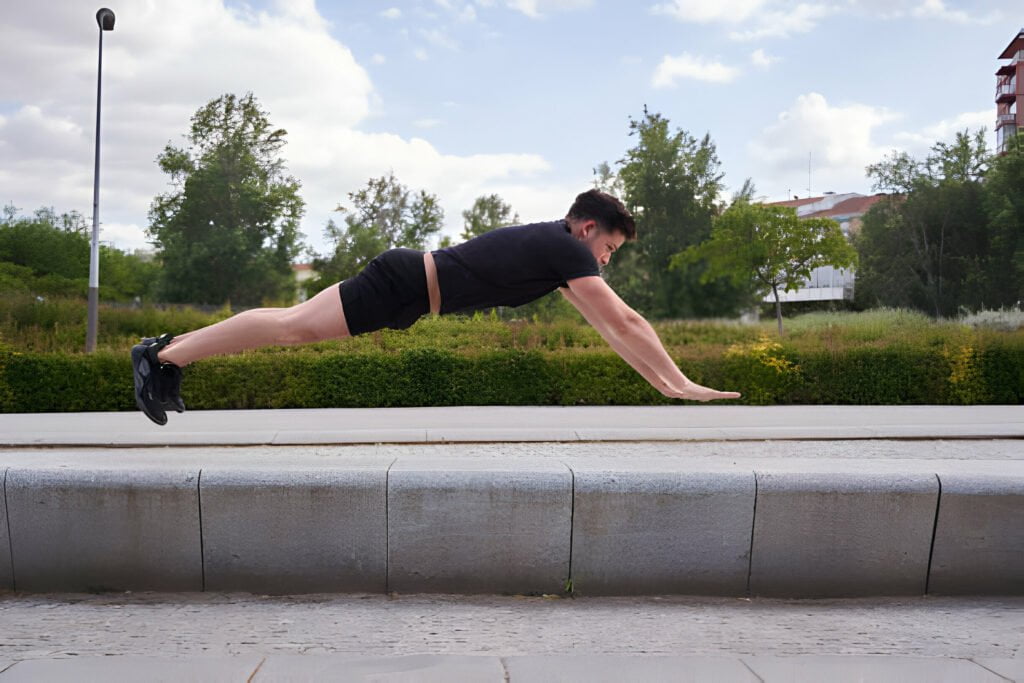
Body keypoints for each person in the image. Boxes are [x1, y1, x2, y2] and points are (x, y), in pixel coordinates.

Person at [132, 189, 741, 425]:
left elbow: (612, 332)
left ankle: (167, 356)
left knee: (289, 325)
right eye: (608, 248)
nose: (606, 261)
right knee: (292, 330)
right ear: (586, 229)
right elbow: (628, 320)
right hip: (403, 283)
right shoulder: (564, 248)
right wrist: (682, 382)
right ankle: (161, 357)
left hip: (406, 285)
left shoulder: (557, 254)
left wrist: (663, 385)